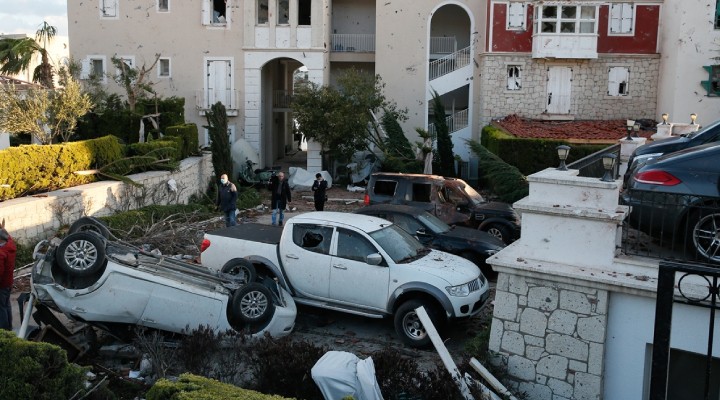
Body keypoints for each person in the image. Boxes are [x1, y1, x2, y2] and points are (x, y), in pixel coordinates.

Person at [0, 220, 16, 331]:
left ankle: (5, 332)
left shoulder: (1, 253)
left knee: (1, 308)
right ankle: (9, 327)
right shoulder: (10, 243)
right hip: (9, 282)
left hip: (1, 285)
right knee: (6, 305)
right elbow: (7, 234)